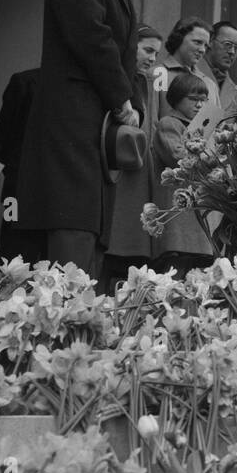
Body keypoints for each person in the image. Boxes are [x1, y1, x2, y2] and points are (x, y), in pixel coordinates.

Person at [16, 0, 149, 277]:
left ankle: (78, 312)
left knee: (88, 224)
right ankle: (61, 311)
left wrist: (131, 102)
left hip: (95, 124)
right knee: (72, 219)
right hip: (74, 118)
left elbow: (120, 52)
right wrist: (122, 99)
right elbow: (91, 35)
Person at [100, 25, 164, 292]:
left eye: (156, 54)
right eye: (147, 50)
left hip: (135, 171)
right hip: (115, 170)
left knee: (128, 247)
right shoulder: (121, 78)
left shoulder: (142, 82)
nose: (152, 58)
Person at [151, 72, 215, 276]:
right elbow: (177, 156)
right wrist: (208, 153)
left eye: (203, 101)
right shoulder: (169, 123)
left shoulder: (201, 127)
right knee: (174, 271)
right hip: (177, 215)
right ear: (177, 98)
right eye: (193, 99)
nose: (199, 105)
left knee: (198, 271)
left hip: (197, 212)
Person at [0, 67, 44, 264]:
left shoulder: (23, 80)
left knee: (11, 244)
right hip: (22, 187)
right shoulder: (25, 82)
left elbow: (2, 134)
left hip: (15, 186)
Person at [154, 17, 213, 120]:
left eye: (206, 46)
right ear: (179, 39)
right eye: (197, 42)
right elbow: (149, 123)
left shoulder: (210, 84)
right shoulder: (157, 74)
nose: (202, 50)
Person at [200, 21, 237, 114]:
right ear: (210, 42)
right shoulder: (188, 73)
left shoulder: (236, 92)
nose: (232, 52)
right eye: (227, 44)